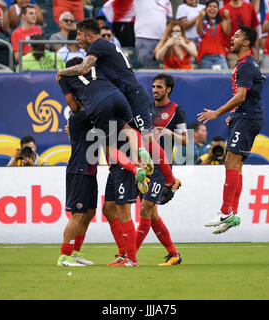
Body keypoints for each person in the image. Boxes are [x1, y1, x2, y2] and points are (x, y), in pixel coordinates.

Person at [56, 18, 181, 205]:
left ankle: (168, 179)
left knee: (140, 140)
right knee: (125, 138)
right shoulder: (105, 47)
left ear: (89, 35)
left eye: (79, 34)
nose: (77, 39)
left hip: (132, 96)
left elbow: (84, 68)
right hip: (124, 98)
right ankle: (143, 167)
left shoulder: (97, 46)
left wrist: (61, 73)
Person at [198, 25, 266, 235]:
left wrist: (218, 112)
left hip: (247, 117)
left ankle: (226, 211)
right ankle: (231, 213)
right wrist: (235, 114)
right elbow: (247, 96)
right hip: (244, 116)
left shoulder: (245, 65)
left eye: (237, 36)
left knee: (231, 161)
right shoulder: (246, 64)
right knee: (235, 163)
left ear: (246, 42)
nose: (232, 38)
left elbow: (242, 95)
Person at [58, 56, 149, 193]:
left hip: (99, 115)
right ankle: (140, 155)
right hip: (117, 102)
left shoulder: (69, 83)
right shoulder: (98, 72)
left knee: (110, 150)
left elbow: (74, 108)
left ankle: (135, 168)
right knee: (131, 131)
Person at [136, 73, 188, 266]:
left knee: (145, 208)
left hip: (161, 168)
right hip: (147, 165)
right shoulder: (146, 108)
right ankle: (174, 254)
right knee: (152, 213)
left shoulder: (176, 111)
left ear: (168, 90)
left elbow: (186, 140)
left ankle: (130, 255)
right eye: (154, 87)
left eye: (159, 87)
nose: (155, 90)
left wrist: (169, 132)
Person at [57, 107, 97, 267]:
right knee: (78, 214)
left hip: (90, 170)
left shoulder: (88, 115)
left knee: (89, 212)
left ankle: (75, 253)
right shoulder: (81, 114)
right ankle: (64, 256)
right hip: (79, 169)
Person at [220, 0, 260, 68]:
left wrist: (257, 49)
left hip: (248, 52)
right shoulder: (223, 10)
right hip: (232, 53)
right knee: (236, 77)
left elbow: (254, 30)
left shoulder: (249, 7)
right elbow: (221, 32)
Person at [133, 0, 173, 66]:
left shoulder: (167, 2)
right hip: (144, 37)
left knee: (161, 67)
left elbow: (169, 21)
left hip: (162, 40)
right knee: (145, 67)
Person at [195, 0, 230, 70]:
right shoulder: (201, 20)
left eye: (215, 7)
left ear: (218, 9)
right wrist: (200, 17)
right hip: (205, 57)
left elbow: (227, 31)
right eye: (210, 6)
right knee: (204, 80)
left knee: (224, 78)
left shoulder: (221, 20)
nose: (212, 9)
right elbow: (199, 32)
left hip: (219, 56)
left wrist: (228, 18)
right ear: (205, 9)